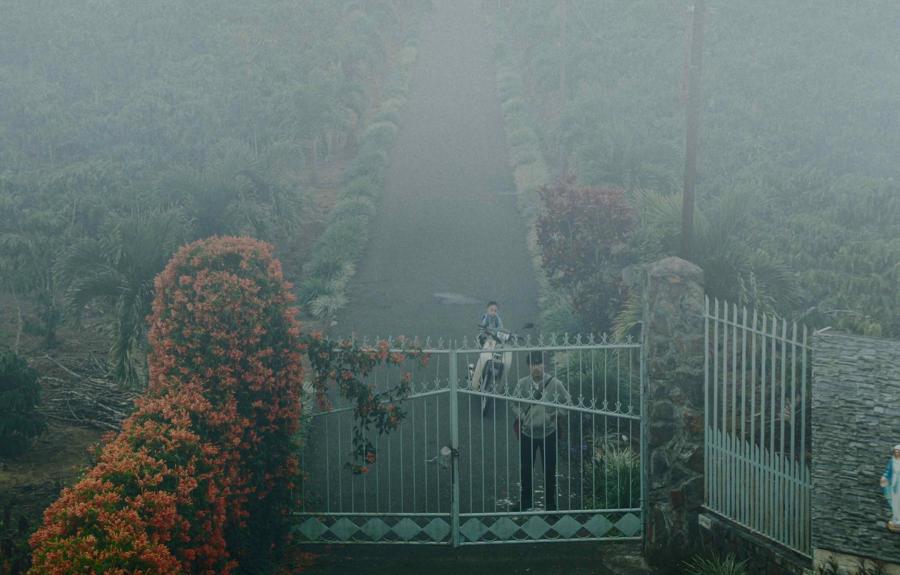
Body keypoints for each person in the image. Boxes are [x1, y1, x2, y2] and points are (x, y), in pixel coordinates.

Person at [513, 351, 571, 511]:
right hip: (527, 434)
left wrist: (555, 415)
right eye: (533, 364)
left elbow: (568, 402)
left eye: (539, 363)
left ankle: (550, 505)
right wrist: (522, 416)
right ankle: (525, 503)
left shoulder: (554, 383)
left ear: (544, 365)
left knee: (550, 469)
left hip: (548, 434)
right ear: (529, 366)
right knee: (526, 469)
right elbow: (514, 404)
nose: (536, 367)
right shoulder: (522, 383)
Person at [880, 445, 900, 532]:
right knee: (895, 501)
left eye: (898, 451)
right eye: (895, 451)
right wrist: (884, 477)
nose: (896, 453)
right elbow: (888, 471)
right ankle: (896, 518)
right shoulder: (892, 461)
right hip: (894, 483)